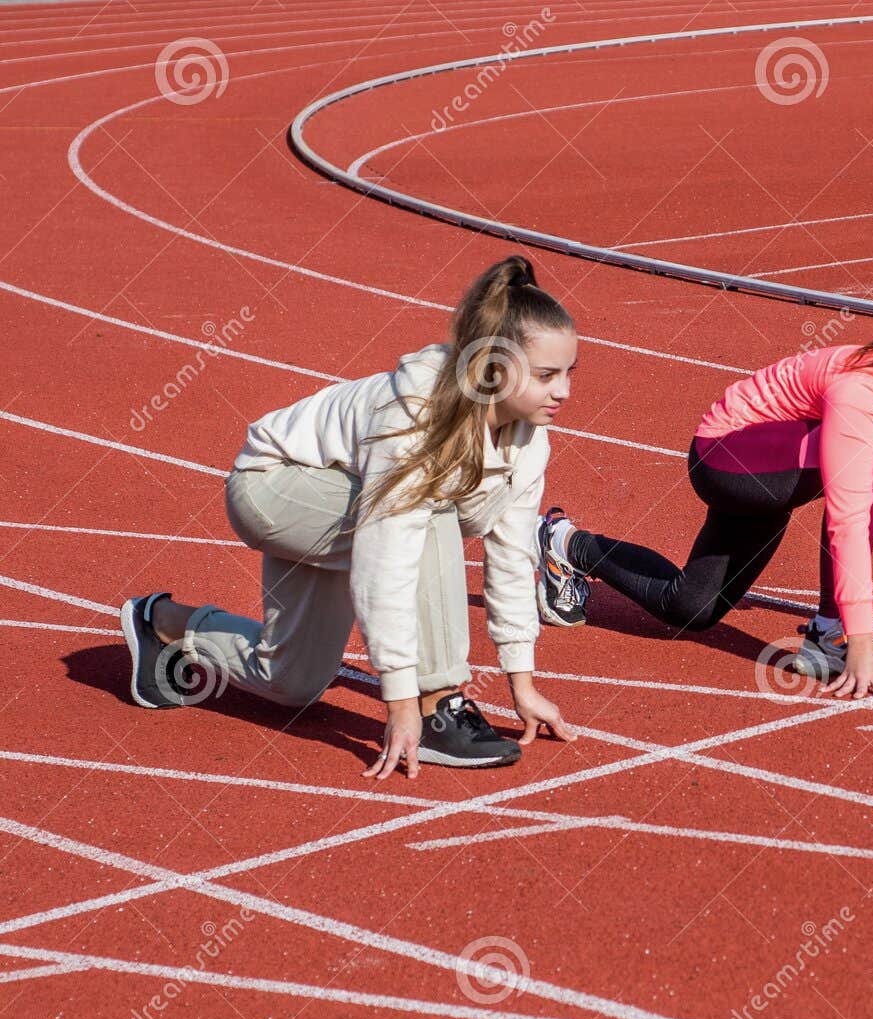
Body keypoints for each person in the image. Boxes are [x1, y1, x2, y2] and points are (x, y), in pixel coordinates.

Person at [120, 255, 577, 779]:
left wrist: (522, 684)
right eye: (547, 375)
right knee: (430, 514)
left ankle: (160, 622)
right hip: (273, 487)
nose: (563, 391)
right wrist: (403, 700)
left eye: (568, 373)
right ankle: (441, 708)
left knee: (290, 681)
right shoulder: (419, 416)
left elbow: (513, 558)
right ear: (493, 369)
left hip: (344, 508)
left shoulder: (530, 442)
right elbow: (388, 558)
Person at [536, 267, 873, 697]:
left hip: (777, 477)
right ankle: (830, 630)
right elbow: (847, 511)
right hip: (725, 454)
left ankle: (566, 544)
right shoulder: (866, 390)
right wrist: (859, 637)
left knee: (691, 608)